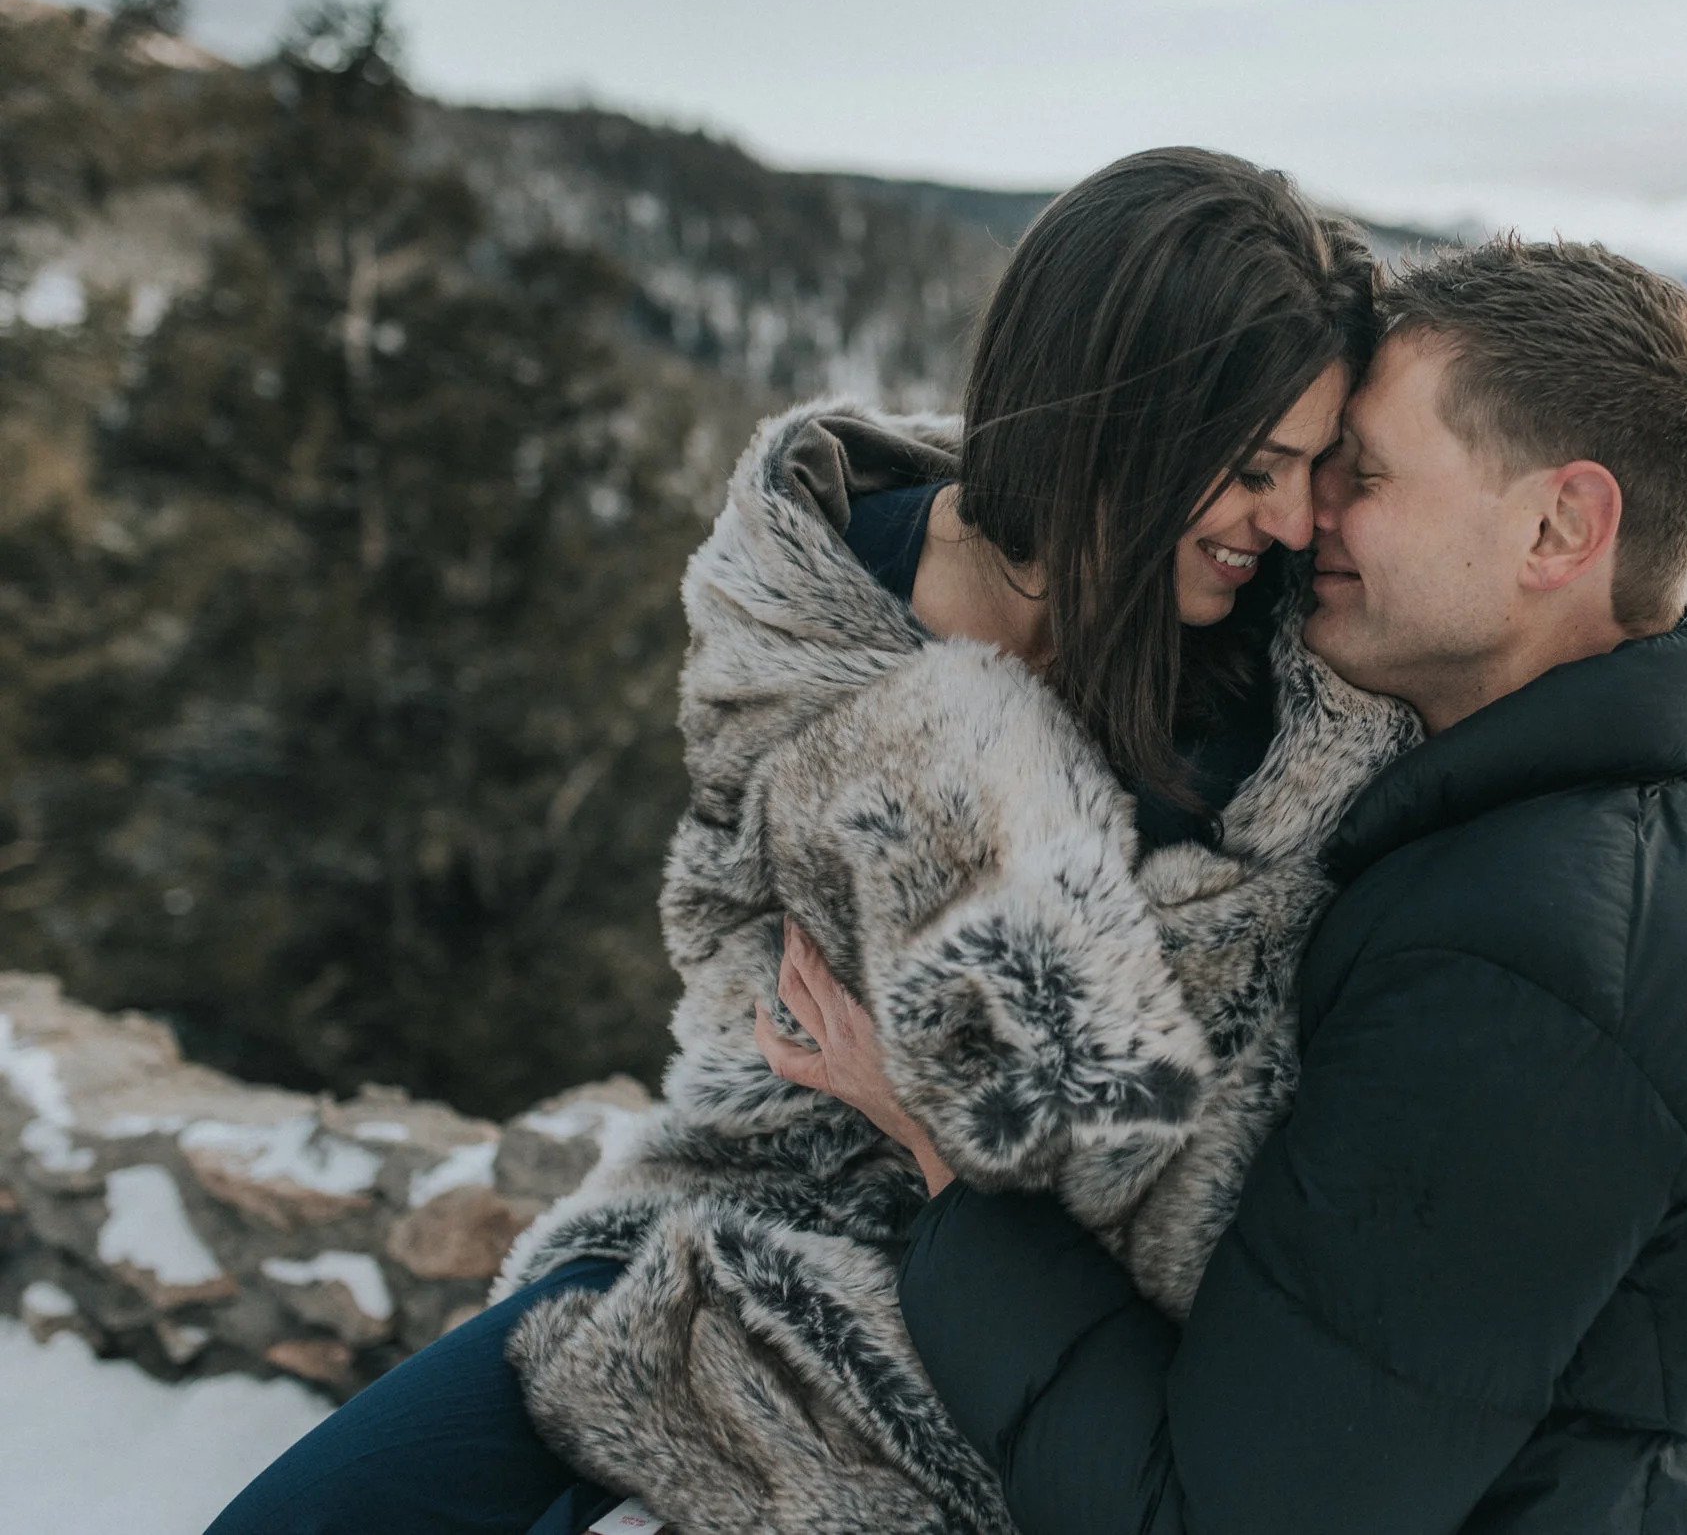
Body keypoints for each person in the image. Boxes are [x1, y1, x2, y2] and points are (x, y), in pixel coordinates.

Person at [206, 146, 1413, 1535]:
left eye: (1314, 469)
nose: (1289, 519)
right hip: (727, 1193)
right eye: (1254, 467)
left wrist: (920, 1099)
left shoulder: (1260, 712)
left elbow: (1157, 1149)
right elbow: (744, 925)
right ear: (1119, 425)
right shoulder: (833, 583)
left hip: (968, 1315)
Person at [769, 236, 1687, 1534]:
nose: (1307, 516)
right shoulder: (1668, 821)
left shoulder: (1530, 975)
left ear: (1561, 526)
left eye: (1367, 473)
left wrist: (949, 1155)